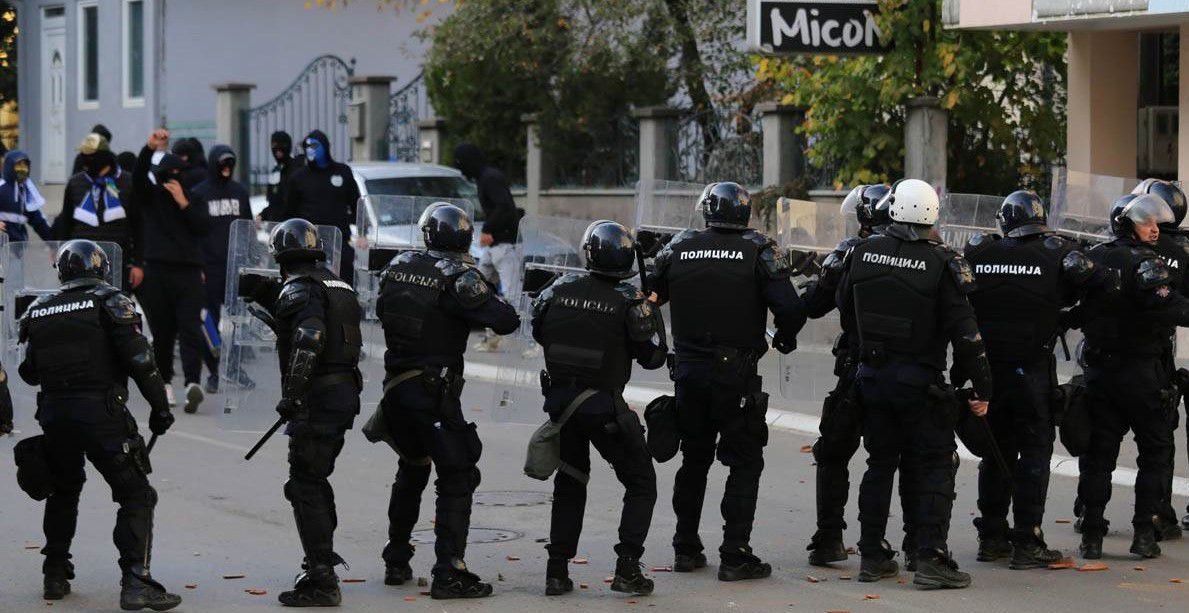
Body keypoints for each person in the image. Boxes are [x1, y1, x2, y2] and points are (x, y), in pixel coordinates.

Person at [835, 178, 991, 589]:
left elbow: (844, 308)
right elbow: (967, 334)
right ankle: (931, 559)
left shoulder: (862, 252)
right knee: (936, 466)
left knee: (879, 464)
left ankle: (871, 556)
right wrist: (981, 387)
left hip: (871, 378)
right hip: (920, 383)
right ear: (932, 215)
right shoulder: (942, 262)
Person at [648, 181, 806, 582]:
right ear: (744, 213)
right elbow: (790, 308)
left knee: (694, 459)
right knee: (744, 461)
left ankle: (685, 547)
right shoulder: (758, 249)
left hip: (687, 371)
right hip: (735, 375)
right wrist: (784, 336)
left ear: (707, 211)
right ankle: (735, 553)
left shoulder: (680, 247)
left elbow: (648, 295)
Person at [18, 240, 181, 610]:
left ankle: (54, 574)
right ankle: (136, 581)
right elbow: (141, 360)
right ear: (103, 269)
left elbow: (28, 373)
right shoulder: (112, 301)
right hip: (101, 416)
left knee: (63, 491)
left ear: (62, 271)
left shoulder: (40, 309)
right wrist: (161, 408)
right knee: (136, 495)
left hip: (55, 417)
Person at [374, 203, 519, 599]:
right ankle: (448, 571)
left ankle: (396, 559)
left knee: (412, 467)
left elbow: (381, 309)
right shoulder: (458, 276)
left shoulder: (397, 265)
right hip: (432, 392)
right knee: (457, 475)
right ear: (464, 237)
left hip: (396, 388)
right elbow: (505, 320)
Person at [962, 190, 1106, 569]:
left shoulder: (980, 252)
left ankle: (991, 536)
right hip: (1031, 371)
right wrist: (1067, 317)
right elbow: (1099, 285)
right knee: (1035, 453)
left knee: (996, 452)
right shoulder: (1058, 253)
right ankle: (1028, 539)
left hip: (988, 369)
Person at [532, 220, 667, 597]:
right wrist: (652, 311)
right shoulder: (629, 301)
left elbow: (539, 330)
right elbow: (654, 357)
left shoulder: (556, 290)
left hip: (562, 407)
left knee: (571, 481)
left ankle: (556, 572)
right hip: (604, 409)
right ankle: (627, 567)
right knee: (641, 483)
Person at [237, 219, 362, 606]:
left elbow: (309, 338)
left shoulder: (301, 288)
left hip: (318, 397)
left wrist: (292, 396)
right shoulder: (337, 284)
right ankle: (319, 561)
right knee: (315, 480)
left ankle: (322, 579)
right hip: (344, 392)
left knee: (305, 485)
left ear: (281, 257)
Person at [803, 183, 922, 571]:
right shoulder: (923, 253)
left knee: (835, 451)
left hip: (857, 369)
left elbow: (814, 306)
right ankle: (913, 543)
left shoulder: (851, 252)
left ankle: (829, 537)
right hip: (905, 371)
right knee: (900, 457)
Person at [1074, 193, 1189, 560]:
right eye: (1147, 223)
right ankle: (1143, 534)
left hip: (1101, 374)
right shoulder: (1148, 264)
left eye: (1156, 222)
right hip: (1142, 375)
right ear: (1127, 224)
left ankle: (1091, 536)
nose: (1155, 229)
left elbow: (1068, 306)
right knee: (1154, 453)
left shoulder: (1094, 258)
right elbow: (1173, 306)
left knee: (1099, 457)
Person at [1132, 179, 1189, 536]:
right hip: (1157, 356)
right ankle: (1158, 515)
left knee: (1101, 439)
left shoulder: (1119, 247)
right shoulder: (1182, 254)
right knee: (1159, 438)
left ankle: (1088, 515)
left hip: (1114, 354)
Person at [135, 152, 211, 411]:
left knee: (190, 327)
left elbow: (203, 227)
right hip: (157, 270)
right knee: (163, 331)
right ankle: (164, 383)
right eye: (169, 175)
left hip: (189, 272)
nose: (174, 180)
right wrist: (148, 149)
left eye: (179, 175)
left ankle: (192, 383)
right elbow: (137, 177)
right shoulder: (152, 197)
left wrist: (183, 202)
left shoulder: (196, 198)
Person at [190, 144, 253, 393]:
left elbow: (247, 228)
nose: (226, 168)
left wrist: (252, 258)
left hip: (236, 266)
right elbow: (193, 233)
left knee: (238, 320)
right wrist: (197, 265)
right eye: (222, 163)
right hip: (209, 268)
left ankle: (235, 368)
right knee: (209, 323)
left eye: (230, 163)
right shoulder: (199, 194)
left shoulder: (240, 192)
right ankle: (215, 369)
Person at [453, 143, 524, 351]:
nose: (461, 169)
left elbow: (505, 207)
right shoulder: (485, 177)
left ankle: (532, 341)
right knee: (476, 286)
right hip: (494, 247)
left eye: (461, 164)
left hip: (505, 245)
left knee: (513, 295)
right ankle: (491, 336)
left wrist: (488, 229)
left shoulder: (490, 178)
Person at [52, 133, 144, 291]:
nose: (85, 161)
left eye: (91, 156)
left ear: (103, 157)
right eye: (83, 155)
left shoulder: (127, 182)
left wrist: (138, 264)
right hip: (80, 262)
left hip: (117, 262)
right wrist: (60, 254)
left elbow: (139, 226)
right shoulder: (76, 182)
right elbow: (66, 223)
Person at [281, 130, 361, 285]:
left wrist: (362, 232)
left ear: (325, 146)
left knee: (344, 282)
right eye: (307, 146)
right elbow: (289, 213)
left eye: (314, 146)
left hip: (339, 240)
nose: (310, 149)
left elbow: (356, 204)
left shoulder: (343, 172)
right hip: (308, 244)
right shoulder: (298, 177)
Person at [0, 150, 54, 241]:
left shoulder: (26, 192)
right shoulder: (1, 187)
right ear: (9, 166)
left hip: (17, 248)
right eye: (18, 165)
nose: (22, 169)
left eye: (25, 165)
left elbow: (38, 222)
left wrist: (54, 244)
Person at [260, 131, 302, 222]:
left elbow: (291, 203)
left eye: (282, 144)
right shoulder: (276, 170)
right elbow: (274, 202)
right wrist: (264, 215)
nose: (278, 149)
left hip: (293, 225)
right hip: (276, 226)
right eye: (274, 145)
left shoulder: (296, 169)